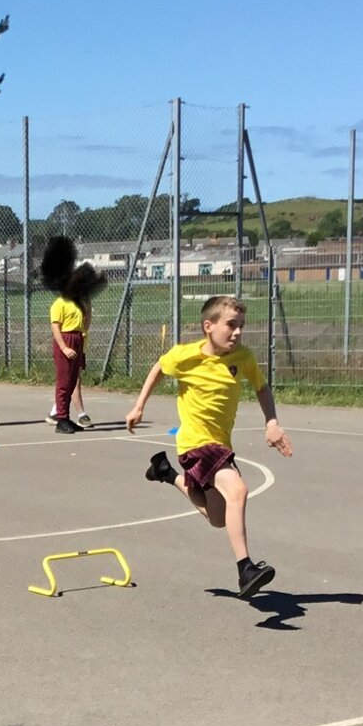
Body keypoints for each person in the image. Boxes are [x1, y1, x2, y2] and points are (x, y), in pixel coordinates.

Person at [126, 293, 292, 598]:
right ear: (208, 325)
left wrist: (271, 422)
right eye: (231, 325)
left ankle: (165, 473)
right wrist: (139, 407)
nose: (238, 331)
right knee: (238, 490)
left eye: (241, 325)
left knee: (218, 518)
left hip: (220, 445)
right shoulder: (185, 355)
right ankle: (245, 569)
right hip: (196, 445)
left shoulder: (242, 357)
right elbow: (159, 368)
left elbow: (261, 387)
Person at [42, 237, 102, 433]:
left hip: (77, 338)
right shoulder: (59, 303)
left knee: (73, 381)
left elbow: (85, 321)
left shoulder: (77, 303)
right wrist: (64, 347)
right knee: (64, 382)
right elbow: (55, 327)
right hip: (66, 339)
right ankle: (61, 420)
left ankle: (66, 417)